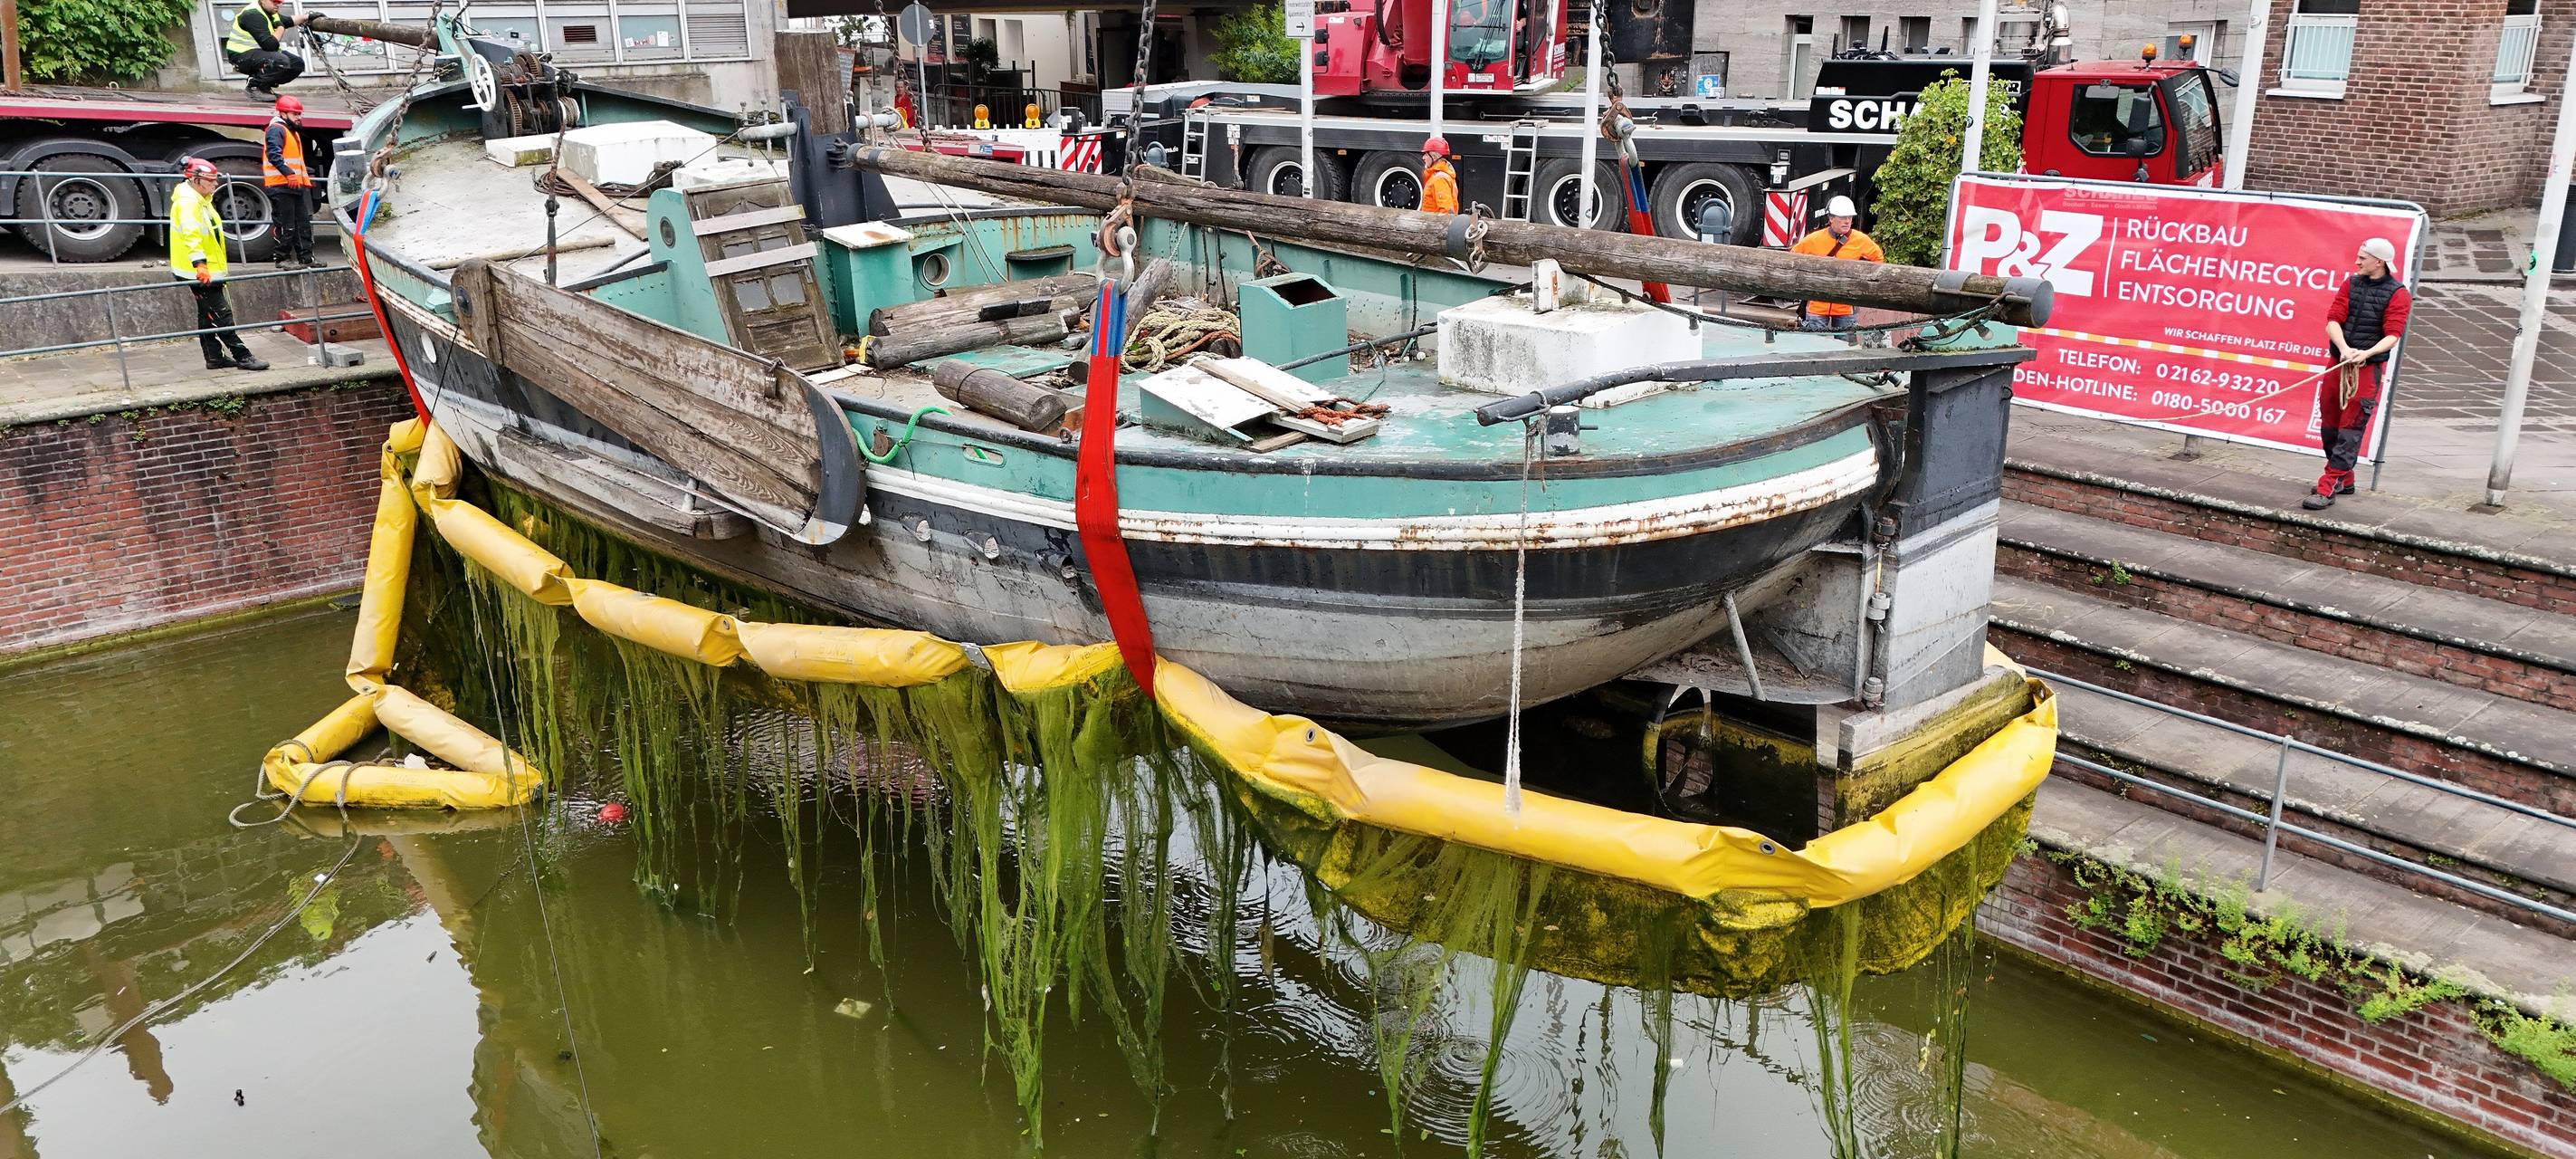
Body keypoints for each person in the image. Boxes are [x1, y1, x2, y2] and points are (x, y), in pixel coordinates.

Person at [2307, 237, 2410, 510]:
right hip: (2339, 362)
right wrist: (2343, 349)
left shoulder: (2398, 293)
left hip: (2368, 369)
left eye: (2362, 257)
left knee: (2351, 428)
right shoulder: (2350, 284)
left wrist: (2365, 354)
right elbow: (2333, 319)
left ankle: (2328, 483)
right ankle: (2345, 477)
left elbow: (2393, 334)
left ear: (2379, 261)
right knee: (2329, 422)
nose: (2357, 262)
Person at [169, 158, 269, 372]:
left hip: (201, 269)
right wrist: (200, 265)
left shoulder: (200, 199)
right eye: (211, 181)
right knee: (221, 314)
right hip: (199, 271)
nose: (215, 185)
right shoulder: (189, 203)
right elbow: (192, 235)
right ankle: (243, 356)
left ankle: (214, 358)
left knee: (207, 315)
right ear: (196, 180)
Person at [1789, 195, 1884, 340]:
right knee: (1813, 347)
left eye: (1850, 217)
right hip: (1817, 305)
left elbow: (1878, 261)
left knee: (1845, 349)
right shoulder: (1814, 240)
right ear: (1831, 218)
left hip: (1846, 305)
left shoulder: (1861, 241)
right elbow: (1792, 258)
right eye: (1843, 217)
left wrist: (1861, 283)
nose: (1847, 221)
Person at [262, 95, 319, 269]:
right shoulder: (276, 129)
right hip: (280, 186)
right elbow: (274, 155)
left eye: (299, 114)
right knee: (286, 225)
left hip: (292, 185)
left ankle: (306, 258)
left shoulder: (288, 130)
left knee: (302, 224)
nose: (299, 118)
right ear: (283, 114)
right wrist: (289, 174)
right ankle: (281, 258)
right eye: (295, 114)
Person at [224, 0, 310, 101]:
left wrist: (307, 17)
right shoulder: (252, 14)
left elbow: (288, 20)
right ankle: (254, 86)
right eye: (275, 1)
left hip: (258, 54)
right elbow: (270, 46)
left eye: (280, 2)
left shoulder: (269, 11)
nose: (278, 4)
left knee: (297, 64)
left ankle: (264, 86)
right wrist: (280, 27)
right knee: (280, 61)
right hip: (240, 56)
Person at [1420, 137, 1459, 216]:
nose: (1423, 158)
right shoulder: (1440, 176)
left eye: (1426, 154)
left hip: (1433, 225)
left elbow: (1446, 212)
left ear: (1434, 156)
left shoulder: (1440, 180)